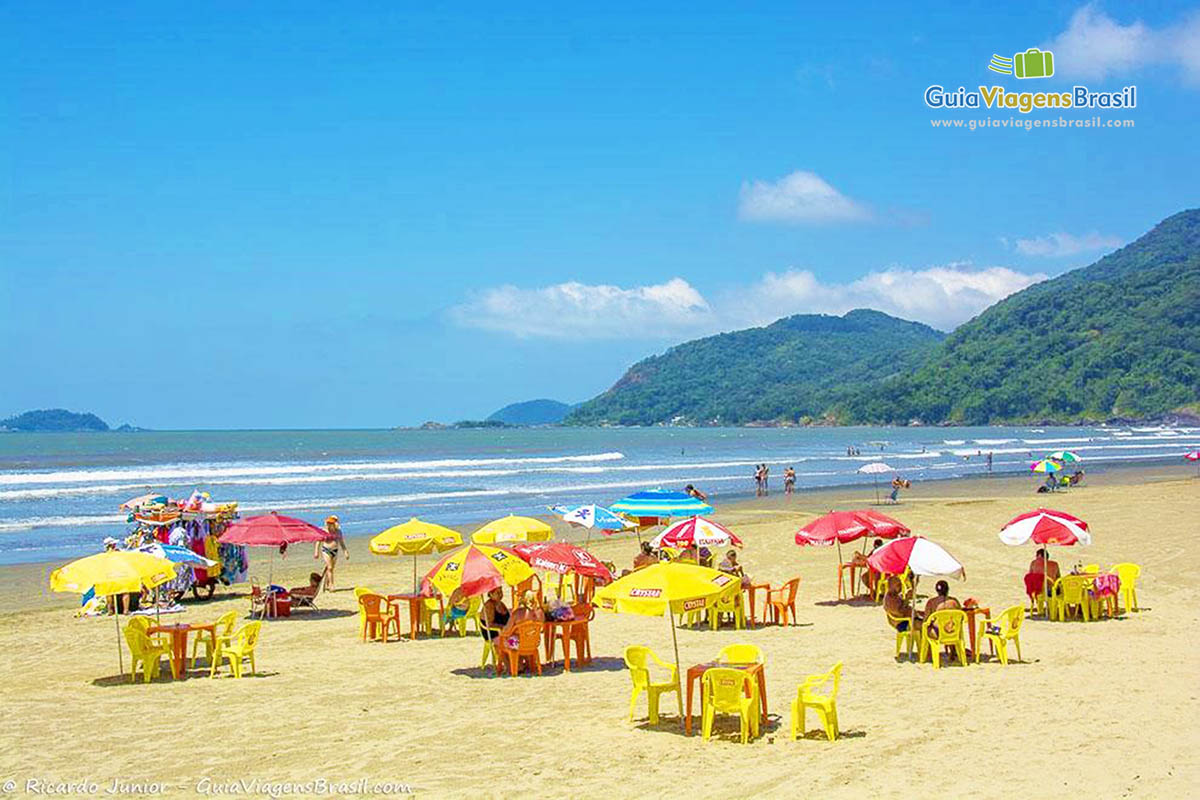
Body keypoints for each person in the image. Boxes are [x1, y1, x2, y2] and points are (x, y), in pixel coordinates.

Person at [315, 515, 349, 591]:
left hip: (335, 551)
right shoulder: (324, 531)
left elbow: (341, 542)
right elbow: (318, 542)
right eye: (328, 523)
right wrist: (316, 552)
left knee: (331, 569)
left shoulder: (338, 531)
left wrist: (345, 552)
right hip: (326, 550)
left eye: (331, 523)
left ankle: (327, 583)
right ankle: (331, 585)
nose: (330, 525)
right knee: (329, 567)